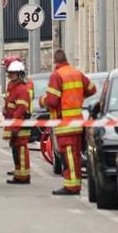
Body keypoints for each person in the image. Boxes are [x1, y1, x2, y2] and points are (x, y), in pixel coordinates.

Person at [43, 49, 95, 197]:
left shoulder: (57, 75)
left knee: (69, 156)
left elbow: (52, 101)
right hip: (77, 122)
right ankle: (74, 184)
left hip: (64, 124)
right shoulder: (76, 73)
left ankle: (71, 186)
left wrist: (42, 101)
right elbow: (92, 89)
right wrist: (79, 97)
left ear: (55, 61)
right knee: (75, 155)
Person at [4, 59, 32, 184]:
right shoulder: (12, 88)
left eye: (13, 73)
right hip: (14, 125)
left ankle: (23, 177)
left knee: (21, 150)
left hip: (20, 126)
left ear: (19, 74)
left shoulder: (21, 89)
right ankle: (19, 174)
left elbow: (19, 111)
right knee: (16, 150)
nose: (10, 76)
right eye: (10, 73)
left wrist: (14, 128)